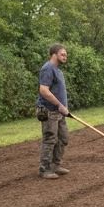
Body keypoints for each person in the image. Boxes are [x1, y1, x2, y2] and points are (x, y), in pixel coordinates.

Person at [37, 44, 70, 179]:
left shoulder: (58, 71)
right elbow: (44, 90)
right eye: (62, 54)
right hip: (49, 111)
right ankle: (44, 169)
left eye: (66, 55)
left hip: (60, 112)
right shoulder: (48, 69)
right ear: (54, 54)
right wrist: (59, 105)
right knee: (50, 139)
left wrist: (63, 107)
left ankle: (56, 165)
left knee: (63, 138)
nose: (65, 57)